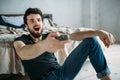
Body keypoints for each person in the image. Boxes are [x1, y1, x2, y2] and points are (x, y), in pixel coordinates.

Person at [13, 8, 115, 80]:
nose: (36, 23)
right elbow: (22, 52)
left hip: (62, 72)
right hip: (46, 78)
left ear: (43, 23)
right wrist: (44, 45)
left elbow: (73, 35)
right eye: (32, 21)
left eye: (39, 20)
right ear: (26, 26)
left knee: (92, 41)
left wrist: (98, 32)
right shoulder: (20, 40)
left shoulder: (50, 35)